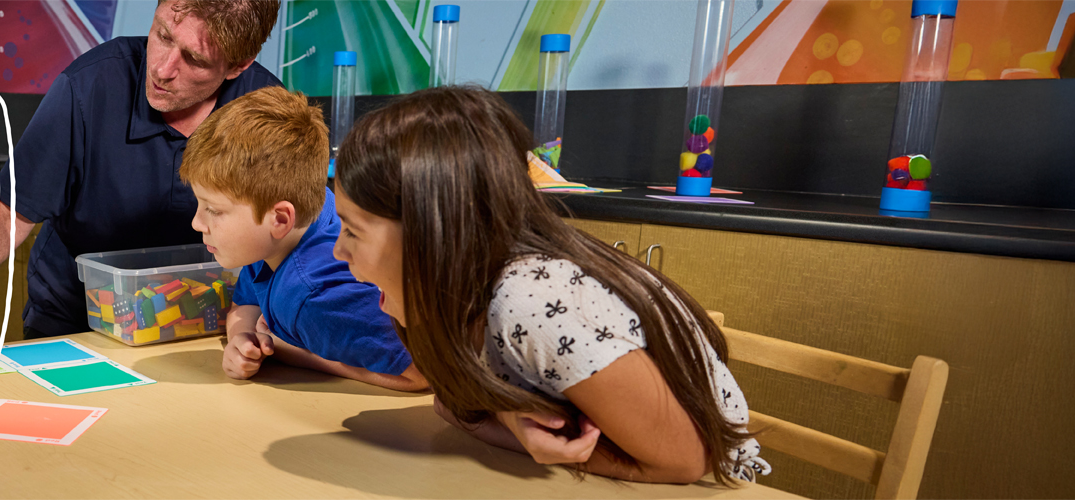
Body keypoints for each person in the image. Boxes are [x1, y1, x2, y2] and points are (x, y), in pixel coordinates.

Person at [330, 86, 770, 484]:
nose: (337, 252)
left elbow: (684, 460)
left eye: (351, 230)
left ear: (433, 232)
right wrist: (508, 418)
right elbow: (451, 404)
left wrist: (513, 434)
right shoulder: (449, 298)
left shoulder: (531, 302)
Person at [0, 0, 282, 360]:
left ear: (237, 66)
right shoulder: (90, 87)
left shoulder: (268, 111)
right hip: (76, 327)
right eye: (161, 34)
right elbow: (4, 216)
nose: (161, 68)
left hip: (213, 329)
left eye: (193, 59)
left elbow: (296, 237)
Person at [179, 87, 426, 391]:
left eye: (214, 210)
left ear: (281, 219)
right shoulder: (298, 216)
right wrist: (243, 338)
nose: (196, 222)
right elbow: (246, 303)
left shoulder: (316, 301)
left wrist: (292, 352)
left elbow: (418, 372)